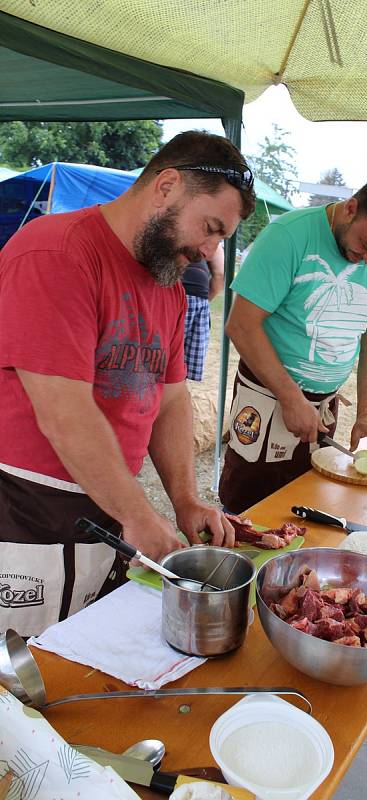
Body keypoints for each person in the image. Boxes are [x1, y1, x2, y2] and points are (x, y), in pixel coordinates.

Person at [0, 130, 255, 636]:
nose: (208, 252)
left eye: (220, 239)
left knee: (81, 650)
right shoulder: (57, 252)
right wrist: (139, 515)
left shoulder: (169, 288)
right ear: (166, 186)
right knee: (19, 673)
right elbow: (63, 412)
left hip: (106, 498)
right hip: (26, 505)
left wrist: (183, 499)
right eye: (210, 228)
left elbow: (171, 397)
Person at [219, 177, 367, 513]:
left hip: (323, 405)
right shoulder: (288, 237)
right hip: (266, 396)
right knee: (248, 505)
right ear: (351, 208)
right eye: (365, 246)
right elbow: (241, 325)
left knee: (304, 503)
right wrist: (289, 397)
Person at [181, 243, 224, 381]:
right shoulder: (212, 240)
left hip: (175, 293)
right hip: (198, 298)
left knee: (164, 359)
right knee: (185, 366)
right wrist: (204, 299)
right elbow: (219, 274)